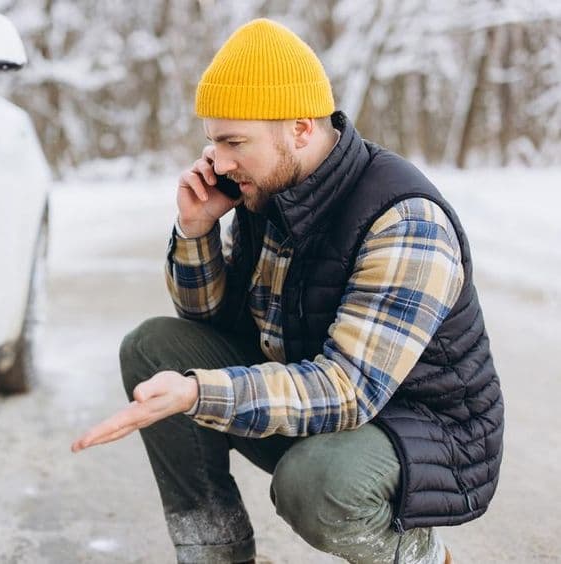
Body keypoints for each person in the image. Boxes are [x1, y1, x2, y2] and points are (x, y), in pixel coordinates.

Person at [71, 18, 503, 564]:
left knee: (314, 485)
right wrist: (196, 230)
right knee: (153, 347)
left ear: (300, 129)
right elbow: (209, 324)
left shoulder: (404, 220)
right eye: (213, 142)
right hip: (315, 402)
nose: (218, 162)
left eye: (234, 142)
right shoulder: (267, 188)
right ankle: (215, 555)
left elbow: (349, 390)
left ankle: (422, 557)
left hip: (418, 430)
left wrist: (198, 393)